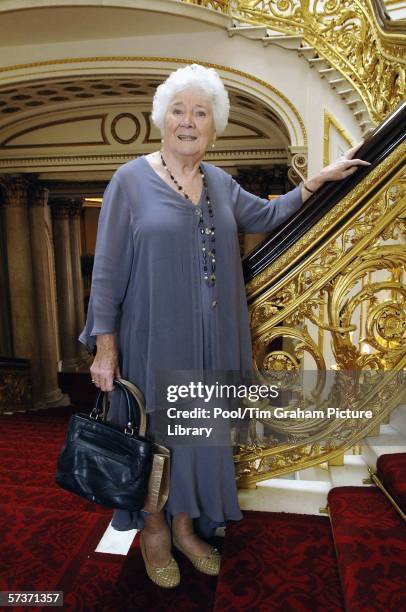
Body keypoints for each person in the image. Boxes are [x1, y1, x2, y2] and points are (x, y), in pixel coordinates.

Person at [79, 63, 370, 588]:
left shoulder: (220, 182)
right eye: (178, 110)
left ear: (215, 127)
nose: (188, 121)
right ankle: (153, 530)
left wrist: (314, 184)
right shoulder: (129, 181)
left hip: (216, 342)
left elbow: (268, 214)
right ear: (161, 119)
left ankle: (187, 526)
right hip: (153, 341)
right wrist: (105, 347)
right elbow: (107, 271)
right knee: (158, 437)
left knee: (200, 436)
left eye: (200, 113)